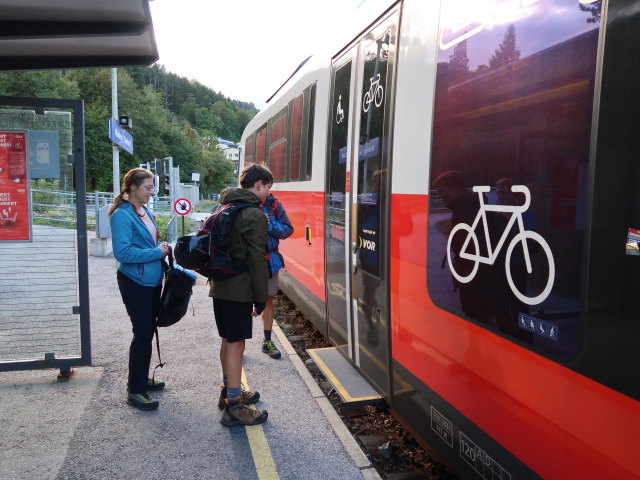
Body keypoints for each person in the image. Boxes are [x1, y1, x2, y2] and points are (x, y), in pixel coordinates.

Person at [211, 163, 272, 427]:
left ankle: (229, 391)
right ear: (258, 185)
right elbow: (257, 259)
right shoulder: (254, 215)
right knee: (237, 345)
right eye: (268, 188)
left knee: (228, 340)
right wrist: (261, 297)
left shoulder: (223, 207)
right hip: (239, 289)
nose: (268, 193)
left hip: (220, 286)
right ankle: (234, 408)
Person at [109, 168, 169, 411]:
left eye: (153, 187)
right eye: (147, 187)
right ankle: (134, 390)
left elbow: (147, 243)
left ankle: (141, 378)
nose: (151, 192)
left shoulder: (146, 212)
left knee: (147, 331)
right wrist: (157, 252)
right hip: (135, 283)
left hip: (151, 282)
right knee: (142, 333)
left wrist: (160, 247)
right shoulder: (122, 215)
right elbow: (122, 253)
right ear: (133, 187)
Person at [260, 191, 294, 359]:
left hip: (269, 260)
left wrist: (269, 224)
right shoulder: (239, 204)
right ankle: (236, 343)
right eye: (265, 185)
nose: (266, 190)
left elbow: (288, 229)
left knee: (268, 301)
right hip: (244, 261)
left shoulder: (274, 205)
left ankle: (267, 341)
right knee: (241, 303)